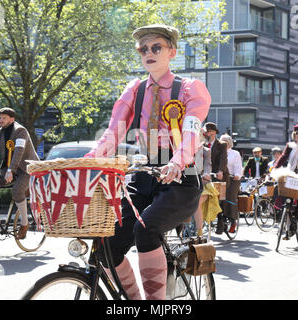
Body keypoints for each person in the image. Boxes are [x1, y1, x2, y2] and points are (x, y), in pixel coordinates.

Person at [84, 24, 210, 300]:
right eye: (143, 49)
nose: (148, 53)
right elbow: (113, 132)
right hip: (142, 175)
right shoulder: (135, 89)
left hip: (180, 178)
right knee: (107, 243)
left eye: (156, 47)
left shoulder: (190, 89)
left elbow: (190, 133)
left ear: (172, 52)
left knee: (146, 228)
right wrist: (88, 161)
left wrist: (176, 162)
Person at [0, 107, 39, 240]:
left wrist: (11, 170)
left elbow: (19, 151)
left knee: (17, 190)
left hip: (26, 169)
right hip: (7, 168)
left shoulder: (21, 131)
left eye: (4, 118)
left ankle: (24, 224)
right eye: (0, 118)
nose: (1, 120)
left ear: (12, 119)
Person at [219, 133, 243, 233]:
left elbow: (238, 166)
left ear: (229, 143)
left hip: (233, 179)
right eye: (221, 141)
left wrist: (237, 175)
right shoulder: (218, 152)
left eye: (224, 141)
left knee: (230, 199)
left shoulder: (235, 153)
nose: (222, 143)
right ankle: (220, 220)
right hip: (221, 178)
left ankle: (233, 221)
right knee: (219, 199)